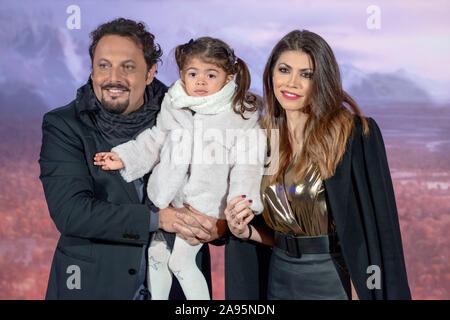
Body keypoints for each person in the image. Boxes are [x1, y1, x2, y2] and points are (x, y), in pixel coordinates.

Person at [225, 30, 411, 300]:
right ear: (271, 74)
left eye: (306, 74)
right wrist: (246, 231)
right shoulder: (262, 139)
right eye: (284, 70)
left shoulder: (354, 134)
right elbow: (278, 230)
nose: (292, 83)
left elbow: (378, 229)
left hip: (332, 280)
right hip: (278, 276)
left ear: (322, 80)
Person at [39, 18, 216, 300]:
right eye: (104, 65)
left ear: (150, 73)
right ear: (93, 71)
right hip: (94, 286)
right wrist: (158, 219)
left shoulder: (187, 117)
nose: (114, 78)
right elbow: (72, 213)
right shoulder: (64, 125)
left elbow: (215, 186)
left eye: (128, 67)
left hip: (178, 287)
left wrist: (217, 221)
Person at [93, 37, 265, 300]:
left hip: (205, 203)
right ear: (183, 75)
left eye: (211, 74)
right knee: (156, 256)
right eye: (193, 73)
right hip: (169, 198)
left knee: (182, 263)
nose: (200, 81)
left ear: (229, 78)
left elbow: (247, 164)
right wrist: (125, 157)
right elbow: (156, 138)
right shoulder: (175, 101)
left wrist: (241, 203)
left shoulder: (239, 114)